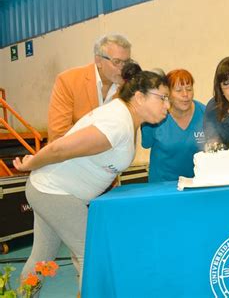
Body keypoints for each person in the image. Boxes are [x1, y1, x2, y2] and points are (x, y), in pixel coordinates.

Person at [13, 62, 170, 294]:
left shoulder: (124, 117)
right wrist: (30, 163)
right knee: (93, 254)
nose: (168, 105)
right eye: (162, 98)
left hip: (53, 189)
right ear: (139, 97)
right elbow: (60, 149)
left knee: (41, 259)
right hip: (53, 192)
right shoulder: (117, 123)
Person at [47, 33, 132, 143]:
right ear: (98, 61)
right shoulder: (67, 81)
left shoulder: (128, 88)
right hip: (72, 157)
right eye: (116, 62)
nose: (123, 68)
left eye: (127, 62)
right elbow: (58, 135)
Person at [141, 69, 206, 182]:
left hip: (196, 184)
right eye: (179, 90)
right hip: (162, 186)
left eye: (189, 89)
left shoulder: (204, 113)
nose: (185, 95)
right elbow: (146, 144)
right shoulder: (155, 115)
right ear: (168, 94)